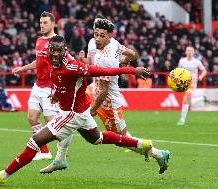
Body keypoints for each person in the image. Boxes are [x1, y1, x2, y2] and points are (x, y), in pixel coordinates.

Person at [0, 35, 153, 186]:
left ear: (64, 51)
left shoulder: (73, 66)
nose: (54, 54)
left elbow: (105, 70)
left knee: (35, 141)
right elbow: (61, 83)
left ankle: (2, 175)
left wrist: (132, 70)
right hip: (80, 111)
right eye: (52, 50)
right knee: (97, 138)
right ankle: (142, 144)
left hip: (71, 114)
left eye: (58, 51)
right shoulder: (52, 62)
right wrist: (56, 95)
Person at [41, 17, 170, 175]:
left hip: (108, 101)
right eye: (96, 34)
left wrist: (93, 110)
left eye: (102, 35)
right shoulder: (97, 43)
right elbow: (131, 54)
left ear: (109, 36)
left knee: (122, 140)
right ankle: (60, 159)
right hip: (93, 89)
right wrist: (122, 59)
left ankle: (158, 154)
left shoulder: (107, 58)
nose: (98, 38)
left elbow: (104, 90)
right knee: (69, 114)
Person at [12, 11, 72, 160]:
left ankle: (62, 150)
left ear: (52, 24)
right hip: (38, 85)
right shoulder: (39, 40)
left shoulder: (57, 42)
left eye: (45, 22)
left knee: (52, 124)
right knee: (32, 117)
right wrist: (23, 68)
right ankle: (44, 151)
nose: (42, 25)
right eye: (40, 23)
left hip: (50, 88)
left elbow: (67, 62)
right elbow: (38, 61)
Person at [177, 46, 207, 126]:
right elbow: (178, 71)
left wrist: (200, 77)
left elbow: (204, 70)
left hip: (192, 84)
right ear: (186, 52)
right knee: (187, 100)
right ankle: (201, 99)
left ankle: (182, 119)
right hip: (184, 83)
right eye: (188, 50)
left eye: (191, 51)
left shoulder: (197, 62)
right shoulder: (182, 61)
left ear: (193, 52)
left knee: (185, 98)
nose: (189, 52)